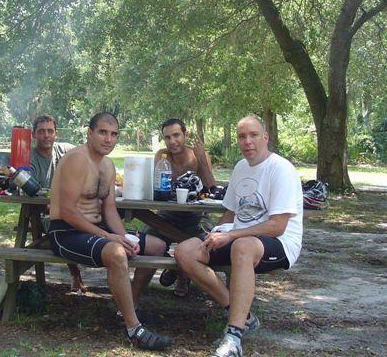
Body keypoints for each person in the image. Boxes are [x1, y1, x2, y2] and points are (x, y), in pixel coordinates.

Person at [174, 116, 303, 357]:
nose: (248, 142)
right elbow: (231, 212)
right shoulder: (241, 168)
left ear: (265, 138)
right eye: (242, 137)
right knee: (185, 250)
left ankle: (234, 336)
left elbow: (277, 226)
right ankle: (241, 313)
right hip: (240, 238)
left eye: (253, 135)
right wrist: (215, 235)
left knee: (241, 247)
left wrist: (232, 235)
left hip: (279, 243)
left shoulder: (281, 169)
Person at [48, 112, 171, 350]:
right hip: (65, 232)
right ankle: (134, 329)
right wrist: (110, 238)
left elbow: (110, 209)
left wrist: (126, 237)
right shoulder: (76, 160)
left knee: (158, 246)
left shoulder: (107, 165)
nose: (108, 139)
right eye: (103, 132)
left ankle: (128, 303)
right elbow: (68, 212)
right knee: (116, 253)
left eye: (114, 134)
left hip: (95, 230)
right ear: (90, 133)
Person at [142, 118, 217, 297]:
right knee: (144, 242)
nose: (172, 141)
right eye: (167, 137)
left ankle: (184, 278)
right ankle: (173, 266)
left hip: (196, 216)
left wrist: (202, 161)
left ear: (185, 135)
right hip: (167, 215)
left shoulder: (200, 156)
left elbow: (212, 190)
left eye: (176, 135)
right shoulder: (162, 156)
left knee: (211, 244)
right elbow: (157, 187)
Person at [29, 114, 83, 292]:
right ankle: (75, 274)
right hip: (46, 213)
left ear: (56, 133)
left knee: (103, 218)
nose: (46, 135)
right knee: (68, 225)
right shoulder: (30, 158)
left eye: (50, 131)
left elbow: (88, 161)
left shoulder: (66, 150)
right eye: (41, 132)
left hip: (74, 208)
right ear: (33, 135)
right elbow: (34, 196)